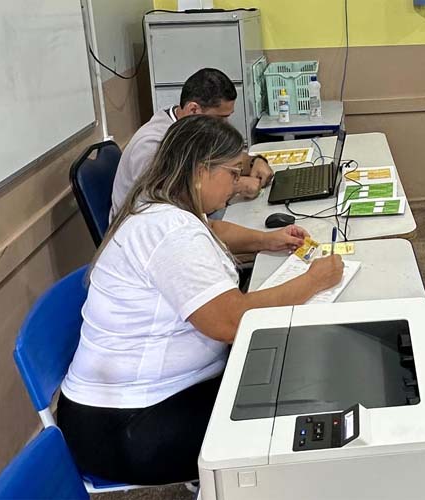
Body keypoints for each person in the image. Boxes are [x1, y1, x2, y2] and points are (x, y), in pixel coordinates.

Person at [57, 115, 344, 485]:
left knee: (289, 373)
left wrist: (267, 240)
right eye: (233, 173)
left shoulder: (163, 206)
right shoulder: (171, 232)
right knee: (291, 421)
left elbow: (214, 230)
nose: (239, 184)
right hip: (125, 426)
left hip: (139, 402)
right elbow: (232, 323)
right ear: (199, 171)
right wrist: (312, 281)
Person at [110, 67, 273, 218]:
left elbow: (226, 158)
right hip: (153, 227)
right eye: (221, 118)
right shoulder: (153, 145)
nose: (225, 125)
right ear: (194, 110)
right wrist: (234, 185)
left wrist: (254, 162)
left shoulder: (191, 125)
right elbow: (174, 205)